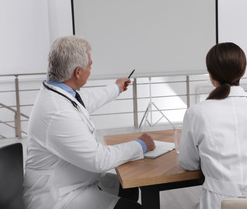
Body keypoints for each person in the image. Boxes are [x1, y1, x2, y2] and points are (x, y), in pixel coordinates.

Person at [23, 36, 155, 209]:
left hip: (73, 179)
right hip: (58, 196)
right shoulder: (57, 112)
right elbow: (99, 159)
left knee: (128, 189)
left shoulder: (58, 91)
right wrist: (140, 145)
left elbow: (86, 100)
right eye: (90, 65)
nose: (91, 69)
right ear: (78, 72)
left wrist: (116, 88)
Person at [179, 42, 247, 209]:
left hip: (218, 203)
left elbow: (188, 163)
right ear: (243, 71)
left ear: (210, 74)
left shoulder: (197, 113)